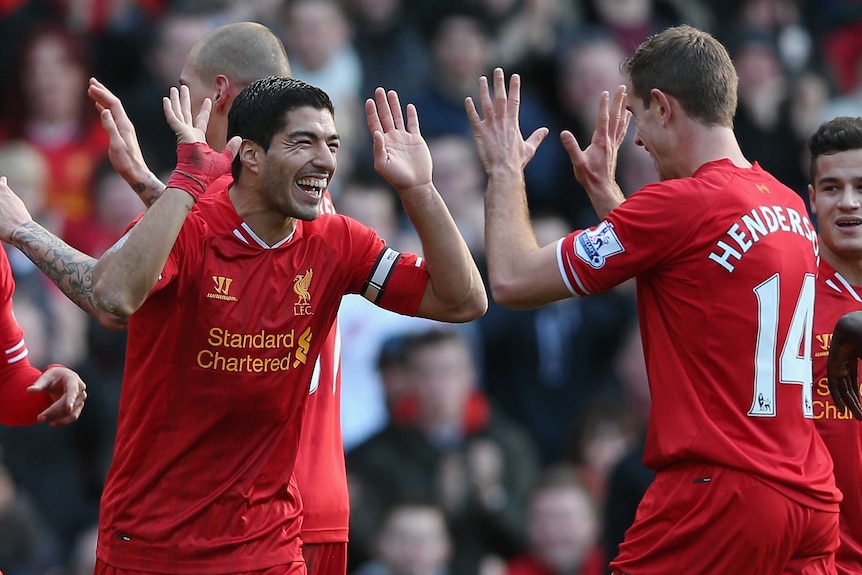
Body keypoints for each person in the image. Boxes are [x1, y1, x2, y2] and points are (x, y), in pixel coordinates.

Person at [466, 24, 840, 574]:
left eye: (638, 118)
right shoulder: (786, 203)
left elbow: (514, 280)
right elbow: (682, 273)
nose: (636, 140)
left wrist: (502, 170)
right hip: (809, 496)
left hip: (723, 492)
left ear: (663, 107)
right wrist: (606, 195)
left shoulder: (679, 203)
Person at [86, 73, 485, 573]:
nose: (326, 160)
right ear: (251, 154)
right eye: (304, 142)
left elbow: (463, 301)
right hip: (151, 540)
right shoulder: (189, 227)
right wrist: (183, 183)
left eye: (332, 144)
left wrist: (421, 190)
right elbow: (112, 296)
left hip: (267, 543)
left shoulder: (337, 242)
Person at [0, 22, 354, 574]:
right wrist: (148, 184)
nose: (176, 104)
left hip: (242, 515)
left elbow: (112, 298)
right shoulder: (304, 197)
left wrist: (23, 229)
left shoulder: (222, 199)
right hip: (316, 498)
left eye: (183, 89)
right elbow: (205, 254)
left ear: (220, 95)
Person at [808, 116, 862, 575]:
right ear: (811, 198)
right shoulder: (784, 292)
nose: (848, 203)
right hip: (816, 560)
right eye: (831, 187)